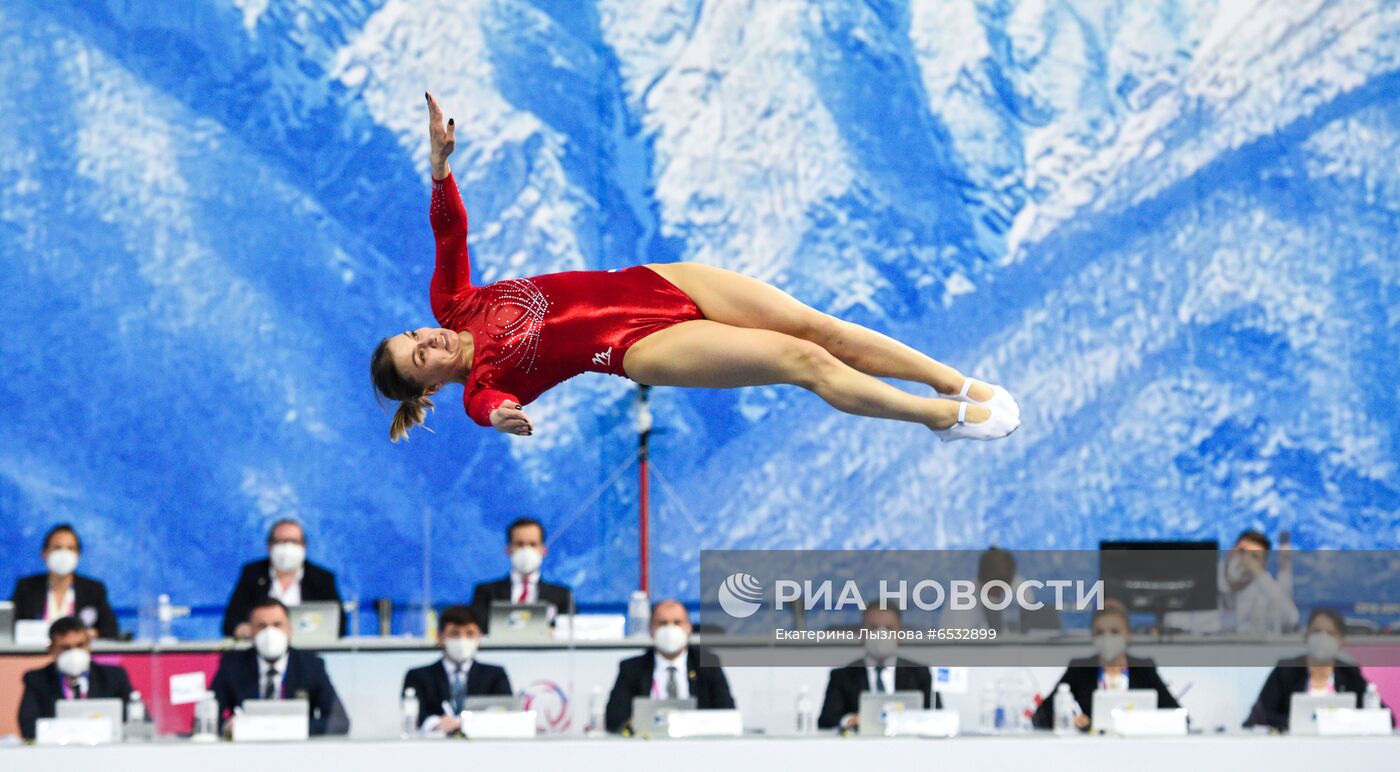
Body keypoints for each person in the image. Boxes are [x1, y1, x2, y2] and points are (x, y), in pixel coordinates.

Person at [369, 93, 1020, 444]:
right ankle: (938, 419)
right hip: (640, 346)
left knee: (820, 328)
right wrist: (504, 414)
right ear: (430, 387)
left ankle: (955, 383)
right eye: (422, 356)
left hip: (656, 281)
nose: (429, 339)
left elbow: (449, 230)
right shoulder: (483, 383)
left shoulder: (452, 302)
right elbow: (492, 407)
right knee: (804, 361)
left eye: (414, 334)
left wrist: (440, 169)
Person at [1031, 600, 1179, 731]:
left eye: (1115, 632)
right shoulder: (1079, 670)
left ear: (1128, 634)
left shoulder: (1144, 670)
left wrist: (1149, 722)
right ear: (1092, 636)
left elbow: (1179, 717)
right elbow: (1040, 717)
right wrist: (1071, 719)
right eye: (1100, 632)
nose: (1107, 638)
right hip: (1091, 752)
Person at [210, 599, 350, 736]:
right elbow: (207, 717)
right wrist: (228, 727)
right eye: (262, 626)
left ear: (289, 629)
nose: (270, 633)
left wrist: (288, 728)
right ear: (251, 631)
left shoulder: (310, 665)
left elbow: (339, 721)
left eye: (277, 625)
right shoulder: (233, 664)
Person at [605, 599, 735, 733]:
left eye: (677, 622)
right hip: (647, 746)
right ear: (651, 629)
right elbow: (614, 720)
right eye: (662, 623)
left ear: (689, 627)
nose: (670, 629)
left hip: (697, 746)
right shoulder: (632, 668)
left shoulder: (708, 665)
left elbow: (728, 714)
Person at [1244, 608, 1378, 731]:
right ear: (1306, 635)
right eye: (1316, 631)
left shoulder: (1350, 673)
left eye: (1330, 633)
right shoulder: (1286, 670)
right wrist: (1297, 723)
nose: (1322, 638)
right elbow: (1258, 717)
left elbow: (1384, 718)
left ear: (1341, 640)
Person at [818, 604, 938, 731]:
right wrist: (850, 720)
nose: (881, 634)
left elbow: (937, 716)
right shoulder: (842, 676)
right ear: (861, 633)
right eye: (874, 628)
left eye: (889, 628)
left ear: (900, 634)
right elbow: (826, 721)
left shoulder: (920, 674)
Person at [17, 616, 138, 739]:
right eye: (65, 648)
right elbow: (28, 727)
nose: (74, 653)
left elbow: (137, 721)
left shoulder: (113, 677)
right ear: (51, 649)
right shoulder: (37, 679)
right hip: (56, 752)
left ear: (89, 645)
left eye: (80, 646)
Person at [221, 518, 345, 639]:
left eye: (293, 541)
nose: (287, 548)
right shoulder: (253, 574)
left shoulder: (322, 578)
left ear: (304, 546)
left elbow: (340, 625)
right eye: (280, 542)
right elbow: (230, 622)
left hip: (309, 652)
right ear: (269, 546)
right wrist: (241, 629)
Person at [402, 605, 512, 735]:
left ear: (479, 637)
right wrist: (436, 724)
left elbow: (507, 713)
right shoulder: (418, 676)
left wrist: (466, 723)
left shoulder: (495, 675)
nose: (462, 639)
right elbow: (415, 715)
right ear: (440, 637)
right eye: (455, 633)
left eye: (470, 633)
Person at [10, 523, 120, 640]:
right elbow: (7, 628)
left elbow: (111, 631)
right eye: (57, 548)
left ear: (78, 555)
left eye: (70, 548)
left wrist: (89, 634)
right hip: (35, 656)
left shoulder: (93, 590)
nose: (64, 554)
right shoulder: (26, 587)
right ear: (44, 554)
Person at [468, 517, 574, 634]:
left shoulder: (563, 595)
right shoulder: (486, 592)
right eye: (519, 544)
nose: (526, 550)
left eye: (533, 544)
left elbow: (569, 633)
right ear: (508, 550)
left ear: (543, 550)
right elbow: (479, 630)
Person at [936, 547, 1061, 633]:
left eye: (1001, 589)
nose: (996, 594)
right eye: (992, 589)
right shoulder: (961, 599)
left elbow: (1029, 634)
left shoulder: (1019, 589)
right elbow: (952, 646)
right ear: (980, 580)